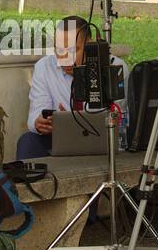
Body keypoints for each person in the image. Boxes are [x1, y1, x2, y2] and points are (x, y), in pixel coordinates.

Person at [17, 16, 129, 159]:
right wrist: (40, 123)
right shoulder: (44, 67)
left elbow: (118, 118)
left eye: (72, 50)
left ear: (89, 45)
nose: (65, 58)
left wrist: (76, 121)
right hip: (59, 137)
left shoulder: (114, 68)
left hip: (100, 138)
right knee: (27, 142)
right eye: (59, 50)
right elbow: (36, 111)